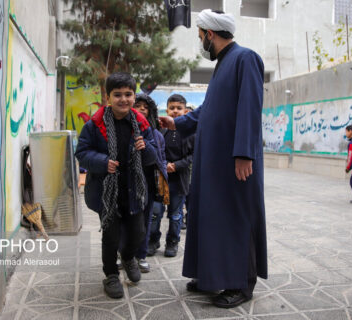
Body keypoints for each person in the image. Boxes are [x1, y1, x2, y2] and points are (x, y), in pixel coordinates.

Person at [159, 9, 267, 308]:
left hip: (235, 162)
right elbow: (209, 109)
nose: (200, 42)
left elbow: (250, 107)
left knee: (237, 219)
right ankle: (212, 275)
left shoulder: (245, 58)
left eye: (200, 36)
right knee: (212, 218)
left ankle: (241, 284)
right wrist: (177, 123)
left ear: (210, 34)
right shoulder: (223, 64)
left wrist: (244, 153)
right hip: (214, 163)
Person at [75, 72, 157, 299]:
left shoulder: (141, 123)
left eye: (128, 94)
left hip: (133, 190)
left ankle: (129, 257)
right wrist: (102, 162)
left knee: (138, 232)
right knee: (110, 236)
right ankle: (110, 274)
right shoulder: (94, 124)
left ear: (134, 96)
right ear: (108, 96)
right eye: (117, 94)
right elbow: (81, 153)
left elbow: (153, 156)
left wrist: (145, 148)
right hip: (106, 192)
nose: (124, 99)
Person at [148, 94, 195, 258]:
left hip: (180, 180)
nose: (175, 111)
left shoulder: (191, 133)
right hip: (160, 179)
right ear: (166, 110)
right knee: (155, 213)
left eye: (179, 108)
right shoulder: (160, 129)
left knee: (175, 215)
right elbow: (154, 149)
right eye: (172, 108)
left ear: (186, 111)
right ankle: (152, 241)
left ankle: (172, 242)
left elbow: (193, 155)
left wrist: (176, 166)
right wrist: (163, 165)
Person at [132, 93, 169, 272]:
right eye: (137, 105)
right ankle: (125, 254)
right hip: (127, 182)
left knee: (145, 222)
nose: (141, 109)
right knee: (124, 221)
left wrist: (163, 183)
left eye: (145, 107)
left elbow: (161, 161)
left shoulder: (156, 135)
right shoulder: (121, 129)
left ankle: (141, 255)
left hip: (148, 183)